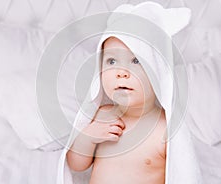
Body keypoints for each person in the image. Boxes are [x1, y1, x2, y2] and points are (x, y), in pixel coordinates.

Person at [66, 36, 167, 184]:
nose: (121, 72)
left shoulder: (164, 128)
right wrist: (87, 137)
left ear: (158, 70)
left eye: (136, 60)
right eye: (111, 61)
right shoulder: (103, 115)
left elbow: (180, 174)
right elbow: (76, 165)